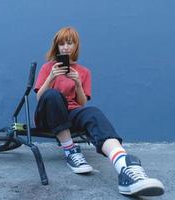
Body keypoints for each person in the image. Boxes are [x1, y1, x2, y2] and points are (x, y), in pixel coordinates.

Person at [33, 27, 164, 196]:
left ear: (75, 46)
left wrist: (78, 83)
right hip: (48, 116)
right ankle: (70, 151)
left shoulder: (84, 72)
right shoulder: (48, 68)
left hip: (71, 114)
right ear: (56, 47)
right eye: (61, 44)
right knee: (52, 95)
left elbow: (81, 103)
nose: (65, 47)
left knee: (93, 112)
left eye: (69, 43)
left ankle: (125, 167)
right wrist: (51, 77)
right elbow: (39, 98)